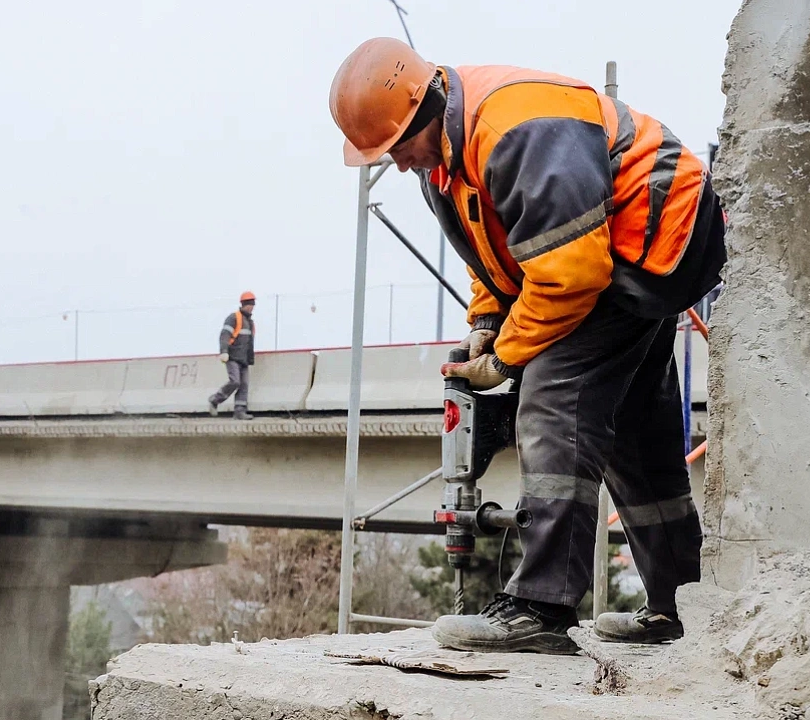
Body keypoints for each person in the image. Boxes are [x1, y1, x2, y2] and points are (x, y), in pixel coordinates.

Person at [329, 38, 727, 654]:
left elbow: (571, 273)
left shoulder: (517, 128)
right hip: (613, 254)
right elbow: (489, 250)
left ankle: (542, 606)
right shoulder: (444, 160)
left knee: (553, 396)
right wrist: (486, 321)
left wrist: (505, 358)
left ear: (423, 107)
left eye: (397, 147)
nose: (399, 165)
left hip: (649, 243)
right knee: (634, 433)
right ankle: (681, 604)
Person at [208, 292, 257, 420]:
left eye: (253, 304)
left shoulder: (250, 323)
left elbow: (249, 343)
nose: (252, 307)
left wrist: (250, 359)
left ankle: (239, 411)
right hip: (232, 356)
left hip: (244, 359)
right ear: (244, 304)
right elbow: (225, 335)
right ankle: (215, 399)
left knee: (244, 384)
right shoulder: (234, 318)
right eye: (250, 304)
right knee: (235, 381)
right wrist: (224, 351)